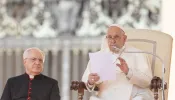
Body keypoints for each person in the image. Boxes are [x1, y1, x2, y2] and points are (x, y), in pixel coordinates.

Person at [82, 25, 154, 100]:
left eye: (116, 37)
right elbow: (87, 81)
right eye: (109, 37)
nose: (112, 41)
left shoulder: (137, 54)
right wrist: (91, 81)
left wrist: (128, 72)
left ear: (124, 38)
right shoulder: (99, 56)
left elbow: (147, 81)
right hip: (105, 97)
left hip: (133, 96)